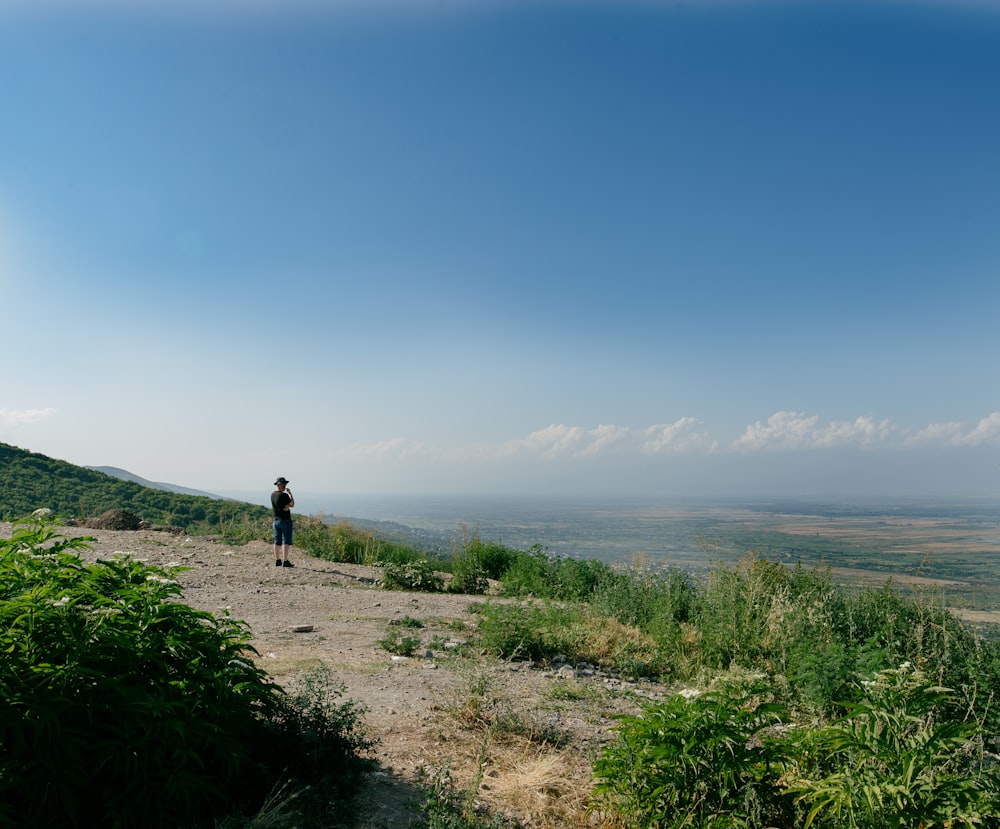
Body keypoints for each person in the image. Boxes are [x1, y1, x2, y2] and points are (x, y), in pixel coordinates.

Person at [271, 476, 295, 568]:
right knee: (286, 541)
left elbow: (279, 505)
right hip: (285, 520)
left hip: (276, 520)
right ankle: (285, 561)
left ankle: (277, 560)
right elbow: (292, 504)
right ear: (280, 485)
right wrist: (290, 494)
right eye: (284, 484)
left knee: (277, 541)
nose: (285, 486)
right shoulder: (283, 495)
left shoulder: (273, 494)